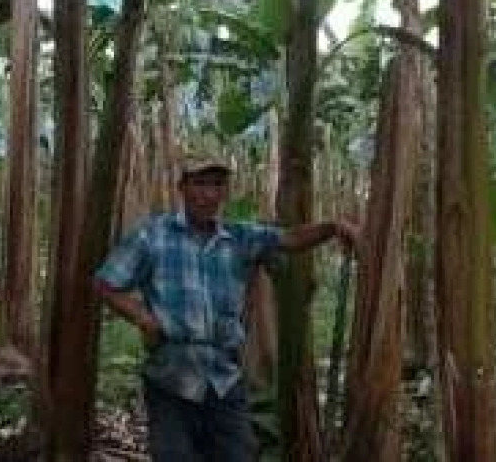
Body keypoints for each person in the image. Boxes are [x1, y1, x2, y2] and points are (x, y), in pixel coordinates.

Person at [95, 155, 358, 461]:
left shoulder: (239, 237)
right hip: (171, 375)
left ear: (224, 192)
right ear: (182, 187)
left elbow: (289, 238)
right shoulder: (152, 235)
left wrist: (334, 227)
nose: (208, 194)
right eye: (200, 183)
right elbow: (106, 284)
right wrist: (143, 317)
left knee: (238, 454)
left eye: (217, 185)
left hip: (223, 376)